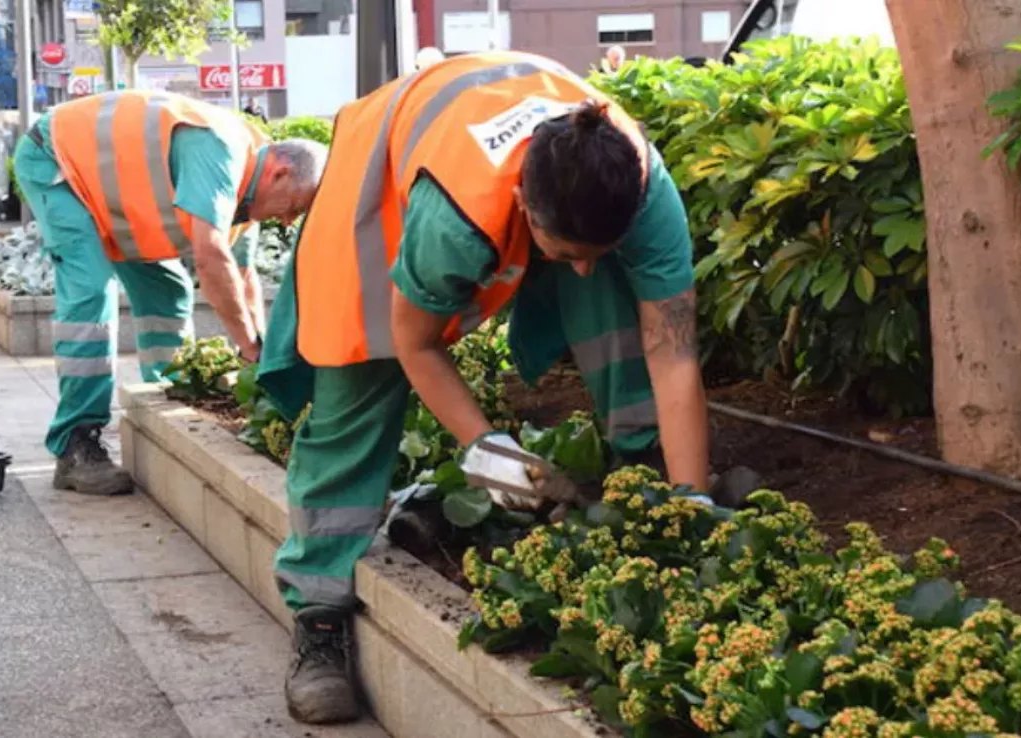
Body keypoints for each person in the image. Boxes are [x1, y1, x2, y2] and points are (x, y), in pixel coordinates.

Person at [256, 50, 711, 724]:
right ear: (523, 203)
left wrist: (691, 506)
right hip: (384, 171)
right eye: (564, 255)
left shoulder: (644, 190)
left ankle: (642, 476)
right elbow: (414, 343)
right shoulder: (454, 216)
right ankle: (319, 613)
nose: (578, 273)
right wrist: (491, 452)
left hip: (506, 141)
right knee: (361, 367)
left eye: (592, 251)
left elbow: (674, 356)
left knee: (613, 297)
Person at [13, 90, 326, 497]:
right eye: (295, 207)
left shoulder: (249, 192)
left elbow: (243, 278)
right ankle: (76, 442)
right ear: (280, 171)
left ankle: (170, 397)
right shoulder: (218, 148)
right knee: (90, 292)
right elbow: (211, 256)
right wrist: (248, 347)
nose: (287, 220)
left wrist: (264, 357)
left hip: (112, 198)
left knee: (169, 290)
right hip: (57, 163)